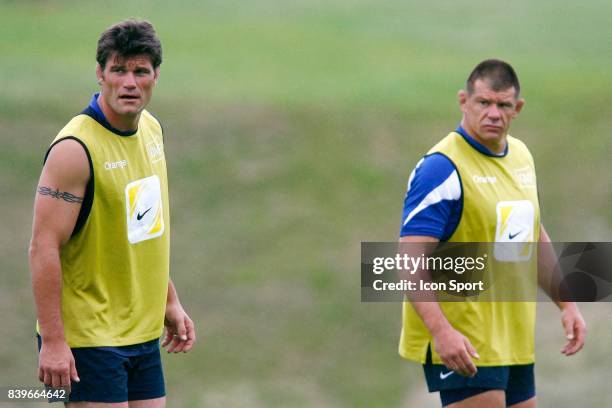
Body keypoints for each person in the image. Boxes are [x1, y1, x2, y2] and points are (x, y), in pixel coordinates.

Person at [398, 59, 586, 407]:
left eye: (503, 105)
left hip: (511, 339)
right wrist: (442, 332)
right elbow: (409, 262)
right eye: (484, 102)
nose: (494, 113)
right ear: (463, 101)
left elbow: (531, 232)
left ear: (518, 109)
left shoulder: (522, 157)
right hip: (464, 341)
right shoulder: (441, 168)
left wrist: (566, 301)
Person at [29, 19, 195, 407]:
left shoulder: (151, 131)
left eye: (140, 71)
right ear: (100, 73)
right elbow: (42, 246)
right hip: (88, 339)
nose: (129, 82)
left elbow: (142, 228)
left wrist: (167, 301)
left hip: (141, 332)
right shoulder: (75, 149)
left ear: (156, 75)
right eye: (118, 70)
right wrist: (53, 341)